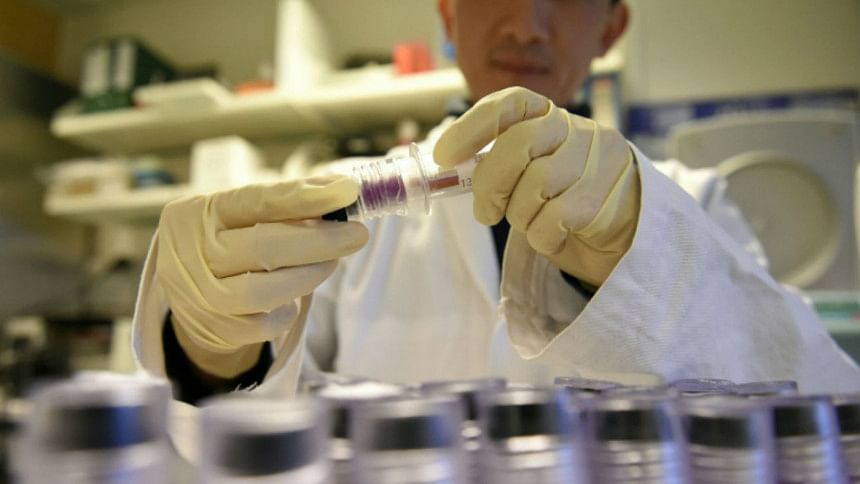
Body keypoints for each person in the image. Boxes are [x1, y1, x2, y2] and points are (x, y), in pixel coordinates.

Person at [133, 0, 860, 416]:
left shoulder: (689, 203)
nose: (525, 25)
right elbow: (242, 433)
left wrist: (652, 256)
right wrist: (210, 355)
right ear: (448, 11)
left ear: (610, 29)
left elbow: (813, 407)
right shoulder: (344, 199)